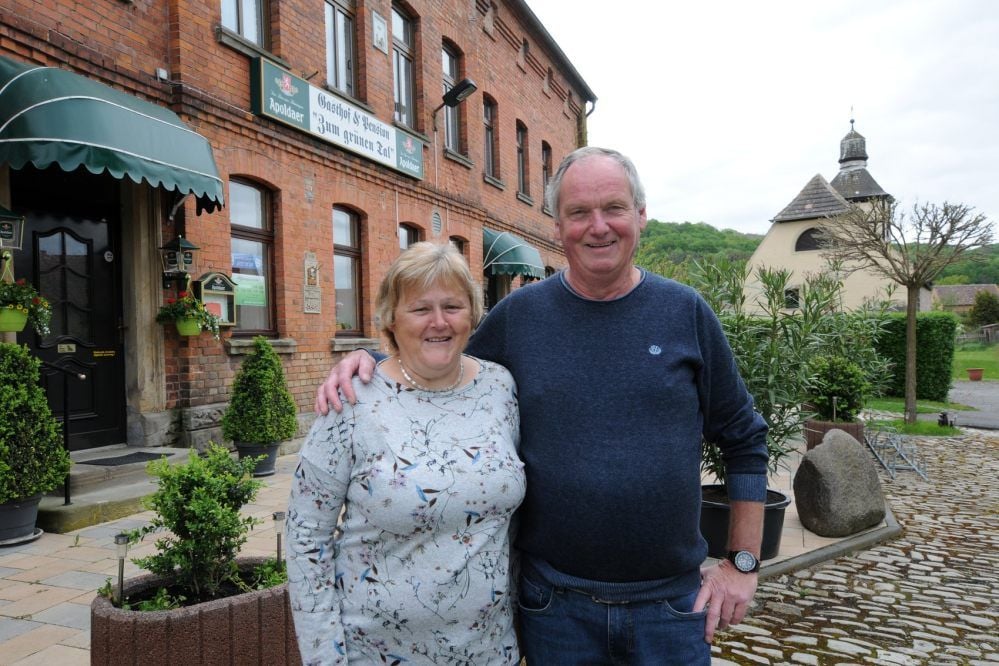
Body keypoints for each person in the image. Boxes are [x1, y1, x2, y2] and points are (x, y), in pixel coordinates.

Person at [315, 147, 770, 665]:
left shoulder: (685, 312)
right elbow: (442, 362)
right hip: (556, 611)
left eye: (614, 208)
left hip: (670, 608)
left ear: (641, 215)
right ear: (557, 227)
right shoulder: (520, 317)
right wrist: (374, 361)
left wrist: (743, 562)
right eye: (579, 212)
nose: (598, 226)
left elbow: (744, 438)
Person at [287, 242, 525, 665]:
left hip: (489, 651)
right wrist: (325, 657)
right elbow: (306, 537)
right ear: (391, 318)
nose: (439, 322)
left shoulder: (500, 388)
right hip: (377, 653)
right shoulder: (351, 400)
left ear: (472, 315)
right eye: (420, 309)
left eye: (452, 306)